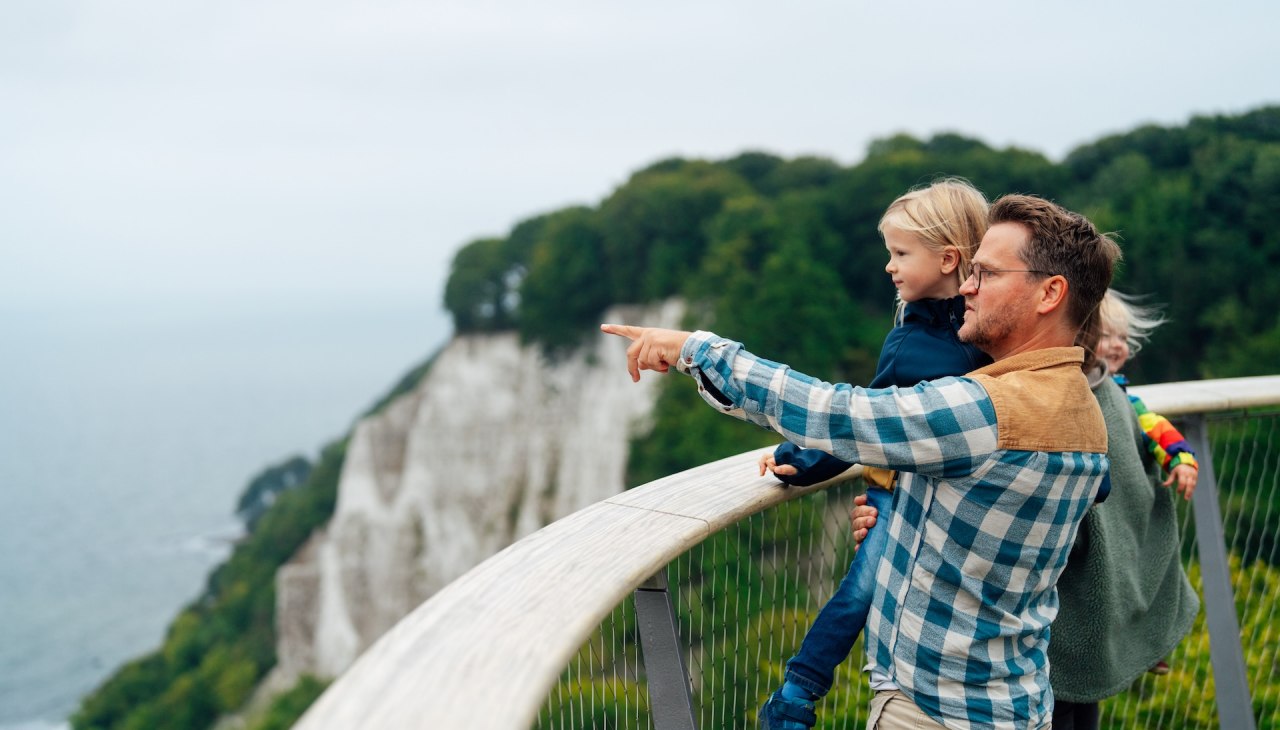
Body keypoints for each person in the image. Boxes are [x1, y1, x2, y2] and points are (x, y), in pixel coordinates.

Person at [603, 194, 1122, 730]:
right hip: (1011, 701)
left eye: (986, 274)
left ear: (1050, 292)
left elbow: (838, 414)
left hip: (933, 709)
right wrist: (903, 514)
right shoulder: (1078, 405)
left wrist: (698, 349)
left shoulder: (989, 412)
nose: (968, 285)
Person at [755, 179, 993, 730]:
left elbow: (860, 425)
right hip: (905, 495)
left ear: (948, 258)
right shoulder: (918, 341)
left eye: (901, 253)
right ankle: (797, 693)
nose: (889, 266)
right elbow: (866, 425)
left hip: (948, 503)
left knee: (871, 588)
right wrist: (801, 462)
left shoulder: (972, 337)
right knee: (861, 588)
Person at [1047, 290, 1200, 730]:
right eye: (1108, 334)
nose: (1116, 345)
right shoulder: (1101, 392)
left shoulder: (1118, 396)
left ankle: (1147, 640)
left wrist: (1181, 458)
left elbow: (1157, 429)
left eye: (1123, 338)